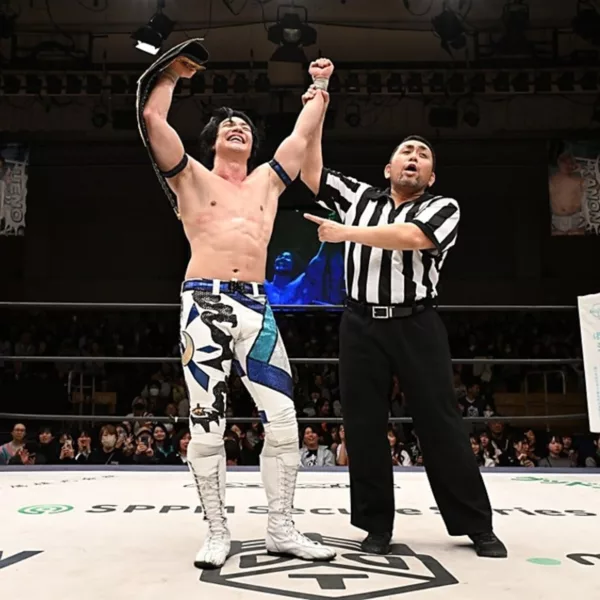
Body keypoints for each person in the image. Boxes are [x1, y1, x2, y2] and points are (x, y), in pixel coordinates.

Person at [298, 61, 507, 559]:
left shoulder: (442, 207)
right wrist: (320, 97)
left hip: (416, 322)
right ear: (388, 169)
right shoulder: (358, 196)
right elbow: (310, 171)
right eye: (406, 152)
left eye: (423, 154)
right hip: (359, 323)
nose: (414, 156)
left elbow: (412, 238)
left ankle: (476, 525)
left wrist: (345, 233)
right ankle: (375, 526)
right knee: (363, 425)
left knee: (440, 422)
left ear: (431, 176)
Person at [140, 52, 336, 569]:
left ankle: (281, 527)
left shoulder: (268, 182)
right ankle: (216, 529)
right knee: (207, 423)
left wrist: (319, 85)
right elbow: (153, 119)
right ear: (211, 141)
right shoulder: (190, 177)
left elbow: (301, 137)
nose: (237, 127)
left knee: (285, 420)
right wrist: (170, 75)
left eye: (245, 125)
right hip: (204, 303)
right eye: (227, 124)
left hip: (257, 305)